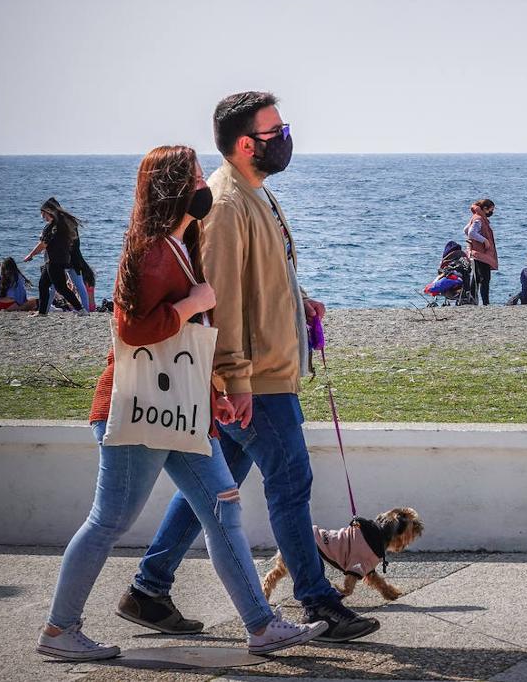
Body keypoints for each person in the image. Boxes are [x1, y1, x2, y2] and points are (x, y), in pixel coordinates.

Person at [35, 145, 327, 662]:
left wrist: (214, 397)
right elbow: (133, 330)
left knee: (223, 512)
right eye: (194, 176)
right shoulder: (150, 250)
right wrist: (194, 302)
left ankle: (261, 626)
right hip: (137, 413)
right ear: (173, 187)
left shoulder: (179, 246)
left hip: (182, 410)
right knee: (108, 521)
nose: (203, 185)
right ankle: (60, 631)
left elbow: (186, 345)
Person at [121, 92, 378, 643]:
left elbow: (260, 279)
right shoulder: (227, 203)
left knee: (218, 487)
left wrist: (298, 298)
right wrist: (232, 380)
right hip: (253, 380)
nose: (286, 137)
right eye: (275, 130)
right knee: (290, 479)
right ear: (245, 143)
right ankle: (317, 600)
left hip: (266, 373)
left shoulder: (257, 196)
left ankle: (148, 587)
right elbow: (221, 301)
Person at [26, 199, 85, 315]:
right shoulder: (61, 225)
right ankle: (42, 312)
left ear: (49, 212)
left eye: (43, 214)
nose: (42, 217)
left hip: (54, 261)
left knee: (61, 287)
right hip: (57, 260)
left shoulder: (53, 227)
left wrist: (31, 255)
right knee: (43, 284)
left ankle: (81, 309)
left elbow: (43, 244)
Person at [44, 197, 96, 311]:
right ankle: (85, 309)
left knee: (53, 284)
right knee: (78, 283)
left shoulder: (57, 223)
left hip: (61, 257)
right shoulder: (68, 220)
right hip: (74, 255)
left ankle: (46, 309)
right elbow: (75, 240)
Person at [464, 199, 498, 305]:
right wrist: (484, 240)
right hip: (481, 254)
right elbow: (471, 232)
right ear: (485, 209)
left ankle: (473, 300)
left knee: (476, 278)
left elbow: (465, 230)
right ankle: (485, 302)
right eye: (491, 210)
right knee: (485, 279)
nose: (491, 213)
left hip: (475, 253)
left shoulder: (476, 217)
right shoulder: (479, 219)